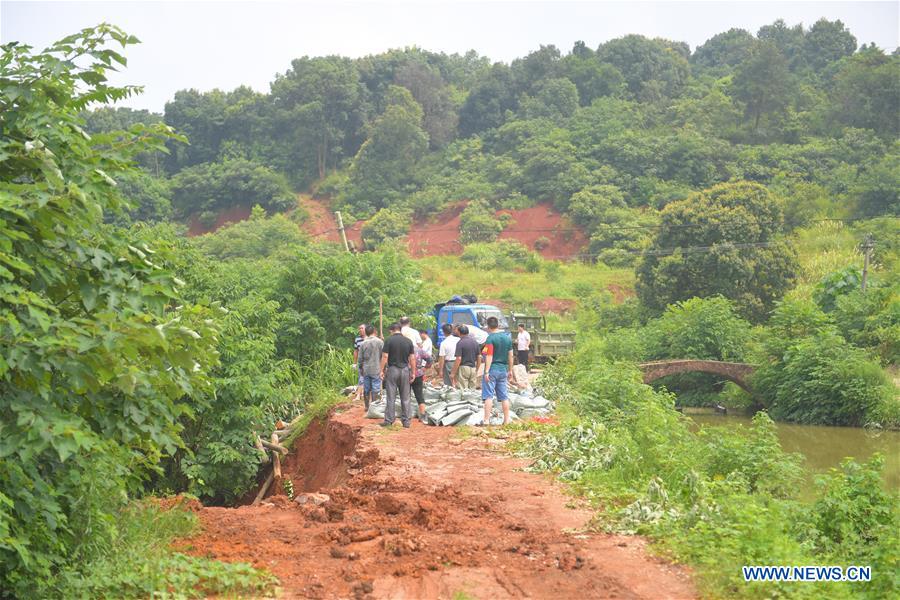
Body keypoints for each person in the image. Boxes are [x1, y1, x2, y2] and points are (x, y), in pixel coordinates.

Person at [481, 316, 519, 426]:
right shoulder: (507, 338)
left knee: (488, 396)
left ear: (488, 326)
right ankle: (506, 420)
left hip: (492, 369)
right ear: (498, 325)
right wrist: (510, 370)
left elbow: (489, 355)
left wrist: (486, 371)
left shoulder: (490, 338)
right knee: (504, 397)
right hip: (503, 370)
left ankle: (486, 420)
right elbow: (511, 355)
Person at [380, 322, 415, 428]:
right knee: (405, 397)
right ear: (400, 329)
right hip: (405, 370)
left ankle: (389, 420)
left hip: (393, 370)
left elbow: (385, 356)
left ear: (391, 330)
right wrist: (413, 372)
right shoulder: (408, 341)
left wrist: (381, 370)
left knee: (391, 397)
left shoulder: (389, 340)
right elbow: (412, 358)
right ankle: (406, 421)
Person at [357, 324, 384, 410]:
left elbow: (360, 358)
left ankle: (367, 406)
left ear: (366, 332)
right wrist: (384, 368)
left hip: (366, 369)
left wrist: (360, 368)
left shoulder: (363, 343)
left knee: (367, 388)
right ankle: (375, 408)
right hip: (376, 368)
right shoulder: (380, 342)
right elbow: (384, 356)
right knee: (376, 388)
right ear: (374, 331)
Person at [451, 324, 481, 389]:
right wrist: (477, 369)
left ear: (459, 333)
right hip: (473, 368)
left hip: (464, 368)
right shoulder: (475, 342)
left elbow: (458, 358)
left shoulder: (460, 343)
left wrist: (453, 373)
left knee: (463, 390)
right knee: (472, 390)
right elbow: (479, 357)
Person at [412, 340, 434, 421]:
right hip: (418, 374)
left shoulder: (402, 350)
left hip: (406, 374)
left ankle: (406, 414)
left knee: (405, 395)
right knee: (419, 394)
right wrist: (425, 368)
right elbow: (430, 359)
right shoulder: (419, 350)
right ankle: (423, 414)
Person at [352, 324, 366, 401]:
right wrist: (354, 363)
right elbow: (355, 351)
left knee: (365, 378)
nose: (360, 330)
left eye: (362, 328)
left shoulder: (369, 338)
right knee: (361, 378)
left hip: (369, 362)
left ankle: (361, 394)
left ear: (366, 329)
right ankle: (360, 394)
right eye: (359, 328)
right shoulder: (357, 339)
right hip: (361, 362)